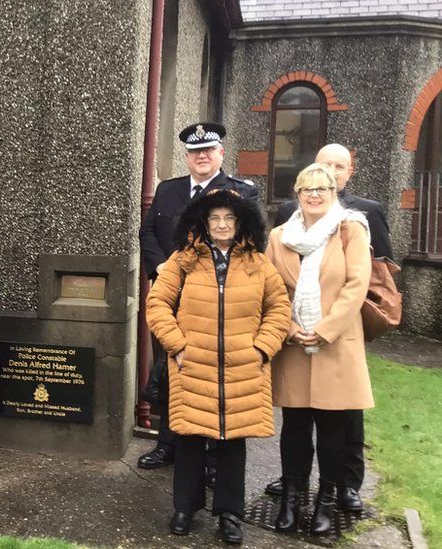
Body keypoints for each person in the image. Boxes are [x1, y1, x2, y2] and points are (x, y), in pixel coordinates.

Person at [147, 189, 290, 545]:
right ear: (203, 222)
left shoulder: (258, 263)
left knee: (232, 444)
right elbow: (158, 304)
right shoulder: (184, 260)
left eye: (229, 218)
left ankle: (229, 513)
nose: (222, 225)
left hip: (242, 369)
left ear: (240, 222)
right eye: (215, 218)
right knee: (190, 439)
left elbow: (279, 309)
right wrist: (176, 345)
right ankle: (185, 507)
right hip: (194, 365)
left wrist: (262, 348)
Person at [264, 143, 391, 512]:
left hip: (335, 343)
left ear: (336, 190)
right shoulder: (281, 235)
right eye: (308, 188)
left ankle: (329, 497)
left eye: (323, 188)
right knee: (295, 428)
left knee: (336, 430)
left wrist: (325, 328)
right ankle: (292, 496)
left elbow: (358, 284)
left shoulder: (354, 227)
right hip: (294, 344)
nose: (315, 194)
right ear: (297, 193)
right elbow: (271, 287)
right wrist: (287, 327)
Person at [138, 122, 260, 476]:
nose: (201, 157)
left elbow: (249, 243)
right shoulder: (169, 190)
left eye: (208, 150)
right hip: (172, 299)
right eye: (194, 152)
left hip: (216, 304)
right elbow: (147, 231)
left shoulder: (240, 193)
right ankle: (168, 444)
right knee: (169, 369)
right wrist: (162, 269)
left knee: (211, 376)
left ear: (220, 153)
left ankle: (211, 459)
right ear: (187, 157)